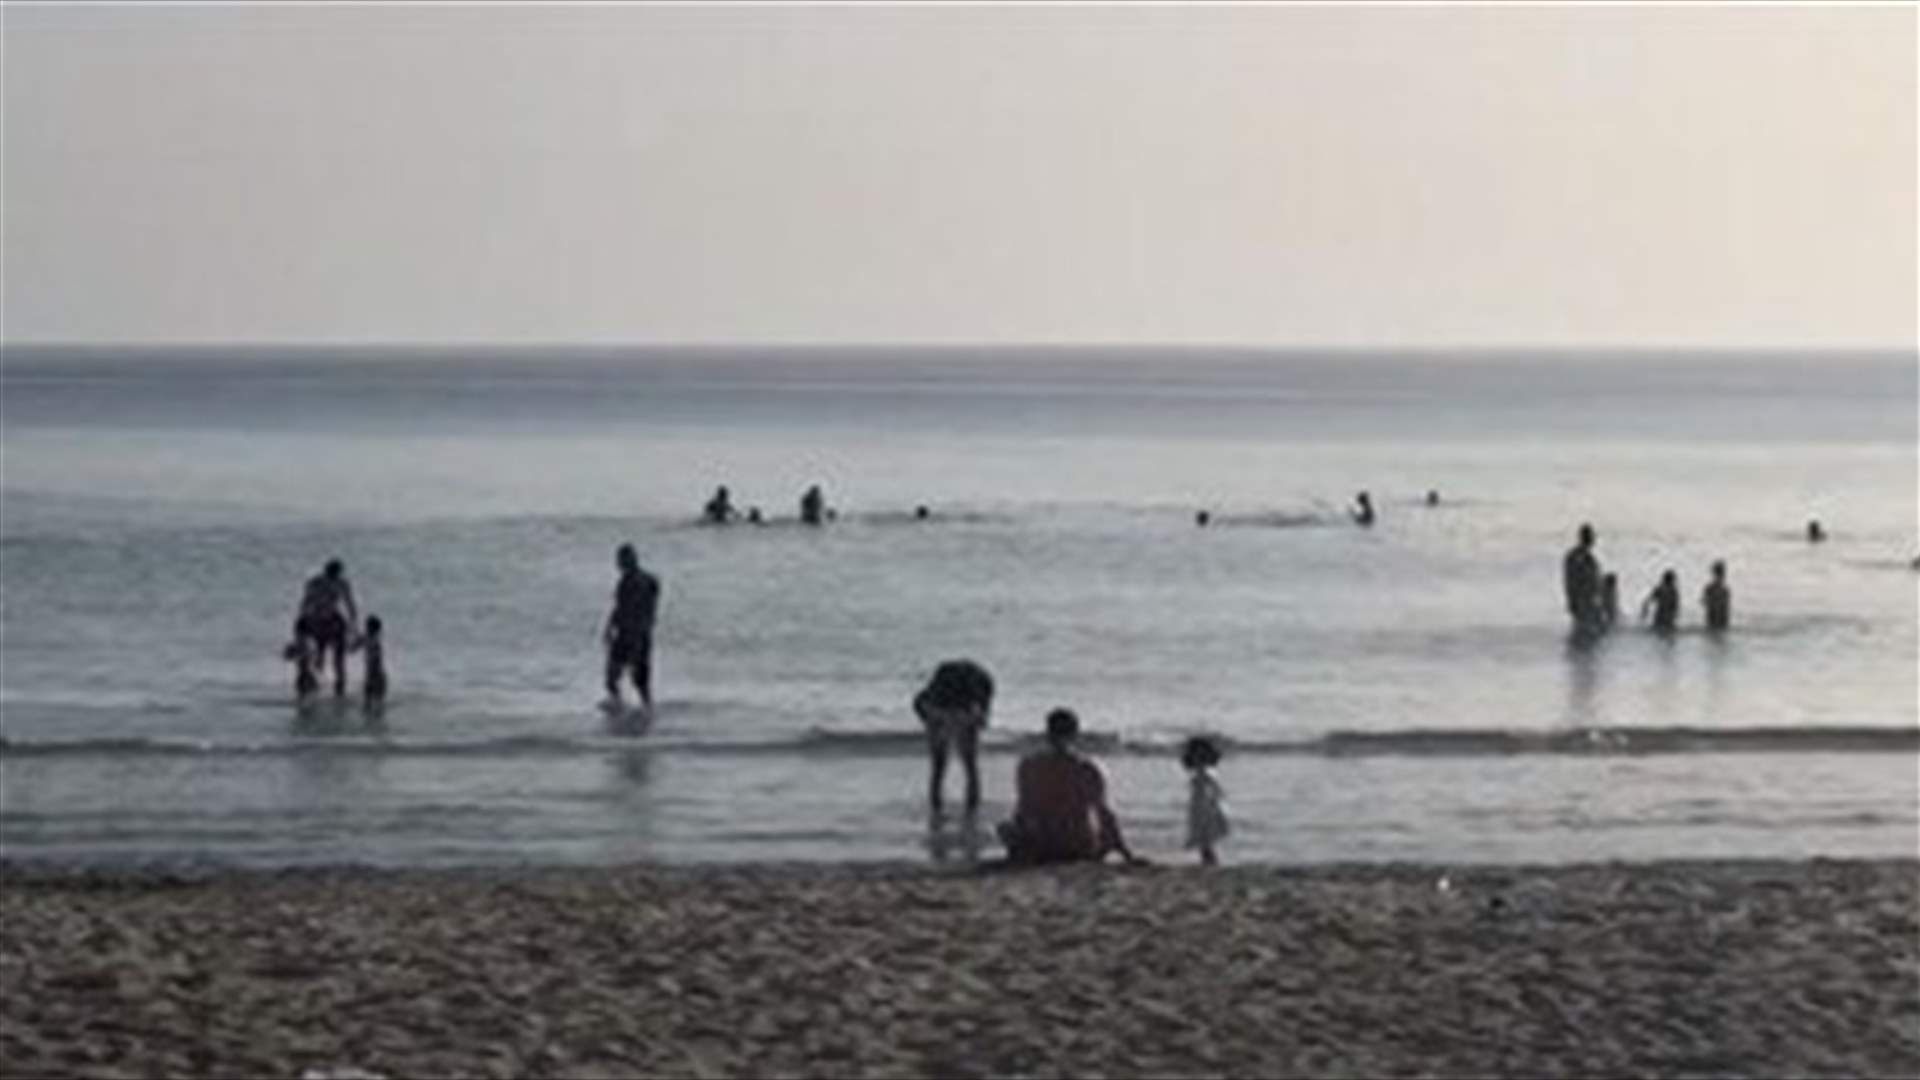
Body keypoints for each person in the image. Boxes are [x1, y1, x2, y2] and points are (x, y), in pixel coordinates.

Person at [998, 708, 1142, 865]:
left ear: (1048, 733)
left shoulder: (1028, 765)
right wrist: (1123, 850)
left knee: (1005, 827)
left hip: (1041, 843)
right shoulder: (1086, 768)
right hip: (1077, 844)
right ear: (1075, 734)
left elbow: (1024, 808)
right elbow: (1103, 813)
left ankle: (1025, 853)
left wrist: (1019, 837)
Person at [913, 659, 994, 816]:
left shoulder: (975, 694)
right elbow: (920, 706)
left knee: (967, 763)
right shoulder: (928, 699)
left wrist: (978, 718)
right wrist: (932, 723)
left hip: (968, 695)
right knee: (940, 764)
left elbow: (981, 718)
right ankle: (938, 807)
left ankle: (970, 810)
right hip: (946, 699)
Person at [603, 544, 662, 713]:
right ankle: (626, 708)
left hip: (635, 634)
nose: (618, 564)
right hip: (631, 633)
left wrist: (637, 633)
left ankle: (639, 710)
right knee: (617, 678)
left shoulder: (642, 582)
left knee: (636, 679)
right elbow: (619, 607)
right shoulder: (630, 581)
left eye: (621, 560)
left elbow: (644, 610)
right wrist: (609, 627)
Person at [294, 559, 358, 697]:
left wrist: (353, 625)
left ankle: (339, 684)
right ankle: (308, 678)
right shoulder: (317, 583)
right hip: (316, 618)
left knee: (338, 657)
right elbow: (306, 602)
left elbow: (350, 605)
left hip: (328, 618)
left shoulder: (340, 584)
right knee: (310, 654)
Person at [1182, 736, 1229, 867]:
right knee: (1204, 842)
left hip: (1205, 809)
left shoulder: (1206, 774)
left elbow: (1214, 792)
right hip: (1200, 808)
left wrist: (1214, 806)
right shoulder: (1202, 773)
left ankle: (1211, 862)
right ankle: (1208, 862)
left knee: (1205, 840)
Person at [1561, 524, 1602, 634]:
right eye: (1591, 537)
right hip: (1582, 602)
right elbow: (1570, 580)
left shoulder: (1589, 557)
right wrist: (1572, 600)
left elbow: (1595, 580)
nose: (1593, 540)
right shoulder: (1576, 557)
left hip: (1590, 602)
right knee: (1582, 633)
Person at [1641, 569, 1680, 634]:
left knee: (1657, 631)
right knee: (1667, 632)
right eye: (1673, 580)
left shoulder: (1661, 588)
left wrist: (1644, 611)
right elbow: (1675, 605)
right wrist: (1674, 614)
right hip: (1666, 616)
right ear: (1671, 580)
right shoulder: (1672, 590)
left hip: (1661, 615)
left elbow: (1648, 600)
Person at [1702, 561, 1731, 632]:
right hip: (1718, 619)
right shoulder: (1724, 590)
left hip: (1713, 619)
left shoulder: (1709, 588)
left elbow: (1704, 602)